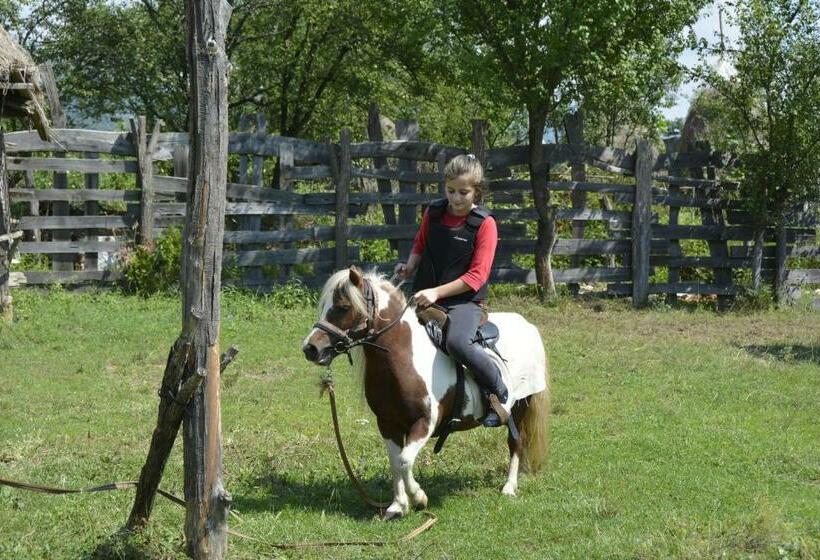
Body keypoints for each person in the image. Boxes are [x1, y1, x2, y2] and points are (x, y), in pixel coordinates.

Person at [394, 154, 508, 427]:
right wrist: (409, 266)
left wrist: (436, 293)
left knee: (457, 343)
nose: (456, 198)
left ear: (477, 191)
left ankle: (498, 389)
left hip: (464, 303)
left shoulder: (485, 224)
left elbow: (476, 277)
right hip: (426, 297)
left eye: (463, 192)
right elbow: (420, 244)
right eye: (451, 190)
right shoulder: (434, 213)